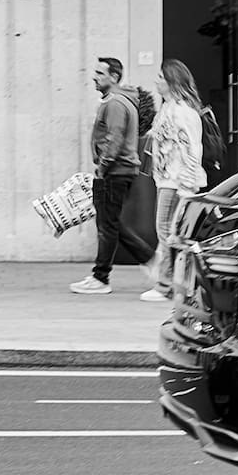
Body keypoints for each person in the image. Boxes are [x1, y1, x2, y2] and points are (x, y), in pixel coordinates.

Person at [70, 56, 154, 295]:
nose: (94, 77)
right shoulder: (121, 101)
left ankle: (102, 277)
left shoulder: (115, 104)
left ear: (114, 77)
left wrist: (103, 167)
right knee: (110, 223)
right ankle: (143, 261)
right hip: (120, 170)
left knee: (108, 225)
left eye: (100, 73)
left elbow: (114, 138)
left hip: (115, 171)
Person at [142, 59, 206, 303]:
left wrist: (187, 185)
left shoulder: (183, 112)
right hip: (166, 179)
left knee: (167, 232)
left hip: (176, 181)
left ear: (172, 81)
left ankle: (166, 285)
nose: (156, 81)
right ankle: (174, 282)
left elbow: (192, 148)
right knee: (168, 233)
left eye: (160, 77)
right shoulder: (168, 109)